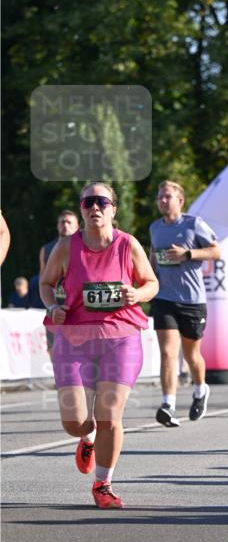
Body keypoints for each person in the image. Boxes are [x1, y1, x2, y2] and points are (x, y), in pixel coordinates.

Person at [39, 182, 159, 509]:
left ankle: (103, 484)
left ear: (113, 209)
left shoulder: (127, 244)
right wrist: (52, 306)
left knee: (109, 416)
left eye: (102, 202)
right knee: (75, 422)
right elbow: (46, 284)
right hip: (75, 339)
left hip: (120, 338)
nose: (95, 207)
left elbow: (151, 282)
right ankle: (86, 437)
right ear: (81, 209)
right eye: (88, 202)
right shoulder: (66, 247)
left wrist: (137, 294)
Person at [149, 180, 221, 427]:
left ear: (180, 201)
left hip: (192, 300)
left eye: (167, 196)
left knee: (192, 355)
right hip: (164, 298)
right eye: (160, 197)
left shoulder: (193, 224)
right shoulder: (154, 227)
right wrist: (149, 278)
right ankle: (168, 404)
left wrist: (188, 254)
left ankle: (201, 389)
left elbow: (216, 251)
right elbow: (153, 256)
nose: (162, 200)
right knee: (168, 352)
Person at [39, 209, 80, 355]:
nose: (65, 225)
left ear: (77, 226)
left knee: (79, 351)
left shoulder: (84, 246)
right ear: (57, 226)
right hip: (54, 305)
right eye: (62, 222)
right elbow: (43, 280)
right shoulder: (46, 249)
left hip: (77, 306)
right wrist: (50, 305)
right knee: (54, 350)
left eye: (69, 222)